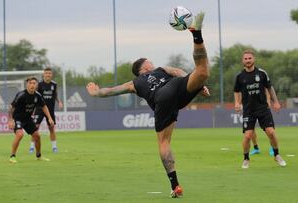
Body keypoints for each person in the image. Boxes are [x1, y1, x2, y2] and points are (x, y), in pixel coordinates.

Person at [86, 12, 209, 198]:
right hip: (176, 87)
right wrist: (197, 84)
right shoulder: (161, 69)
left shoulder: (133, 84)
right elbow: (177, 71)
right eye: (149, 61)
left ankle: (175, 186)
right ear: (144, 67)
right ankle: (197, 35)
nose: (152, 62)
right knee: (202, 71)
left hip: (162, 99)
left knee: (164, 142)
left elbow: (111, 91)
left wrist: (95, 92)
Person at [234, 49, 286, 169]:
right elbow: (236, 91)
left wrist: (276, 102)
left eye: (249, 58)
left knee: (271, 133)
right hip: (248, 110)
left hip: (263, 109)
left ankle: (277, 155)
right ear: (243, 61)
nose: (247, 60)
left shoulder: (262, 73)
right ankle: (246, 159)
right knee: (247, 136)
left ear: (254, 59)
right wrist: (237, 102)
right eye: (245, 59)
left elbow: (269, 88)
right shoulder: (239, 76)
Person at [8, 76, 54, 163]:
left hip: (28, 119)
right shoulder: (21, 95)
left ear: (36, 85)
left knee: (37, 136)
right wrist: (10, 120)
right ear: (27, 85)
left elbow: (44, 106)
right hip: (18, 118)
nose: (32, 85)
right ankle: (12, 156)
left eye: (34, 83)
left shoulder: (38, 95)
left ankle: (39, 155)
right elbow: (11, 107)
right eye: (30, 83)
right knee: (20, 134)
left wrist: (50, 118)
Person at [29, 67, 63, 153]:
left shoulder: (54, 84)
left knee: (51, 128)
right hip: (39, 109)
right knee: (35, 128)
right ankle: (32, 147)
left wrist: (59, 102)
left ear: (51, 75)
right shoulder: (39, 85)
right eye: (46, 73)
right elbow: (34, 96)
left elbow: (55, 94)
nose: (48, 75)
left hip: (50, 110)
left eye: (49, 73)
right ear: (44, 74)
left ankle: (54, 147)